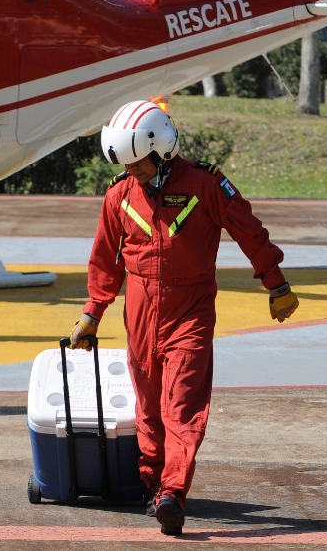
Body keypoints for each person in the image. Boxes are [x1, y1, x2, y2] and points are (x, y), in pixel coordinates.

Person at [68, 100, 299, 536]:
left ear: (162, 148)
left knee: (182, 406)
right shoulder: (119, 195)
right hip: (139, 310)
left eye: (138, 163)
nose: (133, 171)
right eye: (127, 165)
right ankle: (152, 485)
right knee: (148, 407)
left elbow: (248, 229)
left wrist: (276, 283)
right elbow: (104, 259)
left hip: (189, 310)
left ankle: (173, 491)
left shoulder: (207, 185)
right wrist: (92, 313)